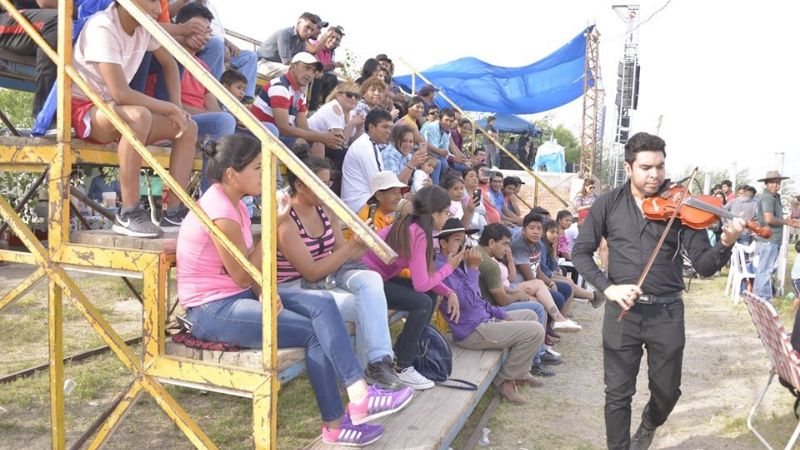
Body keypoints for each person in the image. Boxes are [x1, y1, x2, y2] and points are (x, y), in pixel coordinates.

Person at [176, 135, 412, 447]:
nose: (264, 176)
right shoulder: (221, 211)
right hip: (212, 310)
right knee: (313, 333)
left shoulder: (235, 204)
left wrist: (264, 290)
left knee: (322, 305)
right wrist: (274, 226)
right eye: (258, 169)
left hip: (239, 294)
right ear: (232, 174)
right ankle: (346, 412)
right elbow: (242, 274)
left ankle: (355, 401)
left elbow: (248, 273)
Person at [571, 132, 745, 450]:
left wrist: (725, 242)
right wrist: (608, 289)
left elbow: (705, 266)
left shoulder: (681, 206)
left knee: (667, 391)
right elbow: (580, 253)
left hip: (667, 312)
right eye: (647, 167)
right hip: (622, 313)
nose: (655, 175)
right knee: (617, 393)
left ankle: (650, 423)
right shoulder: (607, 204)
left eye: (660, 167)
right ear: (629, 168)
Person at [275, 156, 406, 390]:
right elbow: (311, 272)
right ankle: (366, 379)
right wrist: (351, 247)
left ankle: (378, 363)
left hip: (325, 276)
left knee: (371, 279)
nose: (328, 189)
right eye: (321, 184)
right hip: (294, 286)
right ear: (299, 185)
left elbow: (342, 255)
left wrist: (362, 245)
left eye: (329, 183)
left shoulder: (325, 209)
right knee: (364, 309)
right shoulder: (287, 218)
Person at [71, 0, 198, 238]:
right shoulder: (103, 26)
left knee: (188, 127)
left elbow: (170, 63)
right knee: (139, 117)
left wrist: (178, 110)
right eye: (151, 1)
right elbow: (121, 92)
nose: (158, 10)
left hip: (115, 109)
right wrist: (169, 107)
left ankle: (173, 211)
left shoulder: (143, 27)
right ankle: (128, 212)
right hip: (87, 108)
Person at [362, 185, 462, 390]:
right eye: (445, 212)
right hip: (365, 282)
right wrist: (449, 268)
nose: (447, 217)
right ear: (433, 213)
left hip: (378, 279)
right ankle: (403, 366)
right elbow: (421, 283)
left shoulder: (417, 228)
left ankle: (403, 352)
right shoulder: (418, 234)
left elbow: (425, 278)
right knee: (423, 301)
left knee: (428, 296)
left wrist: (448, 291)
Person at [435, 218, 545, 404]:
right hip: (471, 332)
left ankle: (521, 372)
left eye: (464, 239)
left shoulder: (459, 264)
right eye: (456, 239)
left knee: (531, 314)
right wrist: (474, 268)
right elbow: (467, 302)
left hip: (484, 321)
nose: (462, 244)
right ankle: (505, 381)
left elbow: (479, 301)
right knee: (535, 331)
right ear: (443, 243)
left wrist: (502, 315)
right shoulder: (442, 268)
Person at [173, 3, 236, 195]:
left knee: (260, 132)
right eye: (197, 30)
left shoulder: (203, 68)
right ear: (181, 26)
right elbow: (172, 105)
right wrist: (221, 117)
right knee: (224, 120)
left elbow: (213, 107)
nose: (204, 37)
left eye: (207, 32)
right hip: (175, 123)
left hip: (201, 126)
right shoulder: (168, 57)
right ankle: (212, 197)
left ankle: (247, 202)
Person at [250, 52, 342, 149]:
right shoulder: (280, 88)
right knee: (301, 144)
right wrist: (322, 137)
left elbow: (303, 127)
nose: (310, 74)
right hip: (258, 133)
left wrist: (328, 138)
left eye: (313, 71)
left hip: (273, 135)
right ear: (293, 67)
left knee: (318, 143)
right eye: (306, 68)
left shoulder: (300, 94)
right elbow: (284, 128)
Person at [0, 0, 57, 118]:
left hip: (40, 20)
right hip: (9, 17)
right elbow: (44, 2)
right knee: (58, 21)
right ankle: (45, 114)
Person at [753, 170, 800, 301]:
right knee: (765, 271)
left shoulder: (773, 197)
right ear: (766, 184)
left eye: (778, 182)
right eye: (772, 182)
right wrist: (787, 221)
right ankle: (764, 300)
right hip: (769, 239)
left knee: (764, 270)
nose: (775, 185)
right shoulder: (768, 197)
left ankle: (759, 299)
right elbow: (768, 219)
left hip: (769, 239)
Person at [341, 109, 393, 212]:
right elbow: (378, 184)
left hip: (365, 202)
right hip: (358, 205)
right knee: (404, 208)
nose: (388, 131)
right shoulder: (365, 146)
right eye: (385, 127)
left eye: (390, 127)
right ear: (371, 127)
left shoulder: (370, 144)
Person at [307, 80, 365, 172]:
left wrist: (358, 129)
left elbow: (352, 143)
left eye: (357, 96)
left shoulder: (352, 113)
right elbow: (339, 143)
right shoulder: (334, 107)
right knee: (346, 155)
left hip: (325, 144)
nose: (353, 98)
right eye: (349, 94)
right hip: (311, 142)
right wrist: (352, 124)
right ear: (338, 95)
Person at [257, 12, 325, 79]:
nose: (309, 32)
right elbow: (287, 62)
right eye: (307, 27)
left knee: (307, 75)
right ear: (298, 23)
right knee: (291, 72)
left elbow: (299, 62)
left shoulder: (302, 43)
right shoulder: (285, 34)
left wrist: (312, 72)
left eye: (312, 30)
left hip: (277, 66)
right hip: (262, 64)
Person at [344, 170, 407, 241]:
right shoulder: (370, 219)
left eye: (399, 192)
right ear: (379, 196)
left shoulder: (386, 213)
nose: (399, 197)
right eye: (395, 192)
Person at [307, 25, 345, 110]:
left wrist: (332, 65)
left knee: (337, 81)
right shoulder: (315, 45)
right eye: (332, 37)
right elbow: (318, 66)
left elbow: (326, 68)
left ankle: (327, 106)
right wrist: (334, 65)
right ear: (326, 36)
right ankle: (312, 108)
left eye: (337, 39)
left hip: (320, 75)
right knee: (322, 76)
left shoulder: (328, 52)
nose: (334, 41)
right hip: (311, 72)